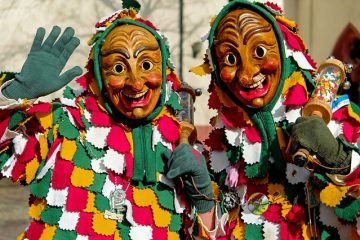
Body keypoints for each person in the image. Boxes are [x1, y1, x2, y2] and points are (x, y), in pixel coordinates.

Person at [0, 2, 219, 239]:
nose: (135, 83)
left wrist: (204, 197)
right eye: (118, 67)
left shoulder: (183, 143)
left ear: (164, 69)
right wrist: (13, 96)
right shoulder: (63, 125)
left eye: (146, 65)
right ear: (99, 75)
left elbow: (211, 233)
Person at [191, 0, 360, 239]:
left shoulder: (342, 117)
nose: (247, 75)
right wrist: (202, 198)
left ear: (283, 49)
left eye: (259, 52)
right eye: (230, 59)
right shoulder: (224, 143)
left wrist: (341, 160)